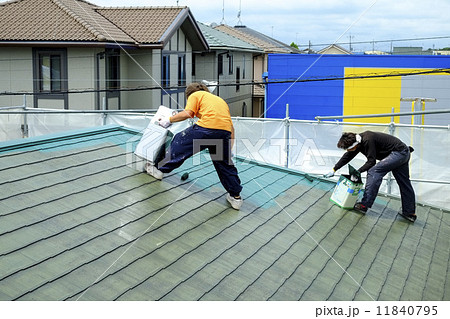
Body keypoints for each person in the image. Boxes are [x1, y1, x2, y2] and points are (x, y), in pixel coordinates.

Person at [145, 82, 243, 210]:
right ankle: (235, 197)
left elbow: (188, 114)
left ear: (188, 94)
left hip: (207, 128)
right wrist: (228, 149)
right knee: (224, 163)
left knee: (180, 140)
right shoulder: (219, 101)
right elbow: (231, 128)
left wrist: (168, 119)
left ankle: (159, 169)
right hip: (223, 132)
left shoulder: (195, 95)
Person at [324, 131, 416, 222]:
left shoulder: (368, 140)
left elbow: (371, 162)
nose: (347, 151)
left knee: (373, 171)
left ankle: (364, 205)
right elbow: (347, 156)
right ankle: (409, 212)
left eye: (348, 148)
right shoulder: (358, 142)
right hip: (403, 152)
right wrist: (334, 169)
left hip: (398, 153)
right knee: (404, 183)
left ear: (354, 145)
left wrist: (358, 172)